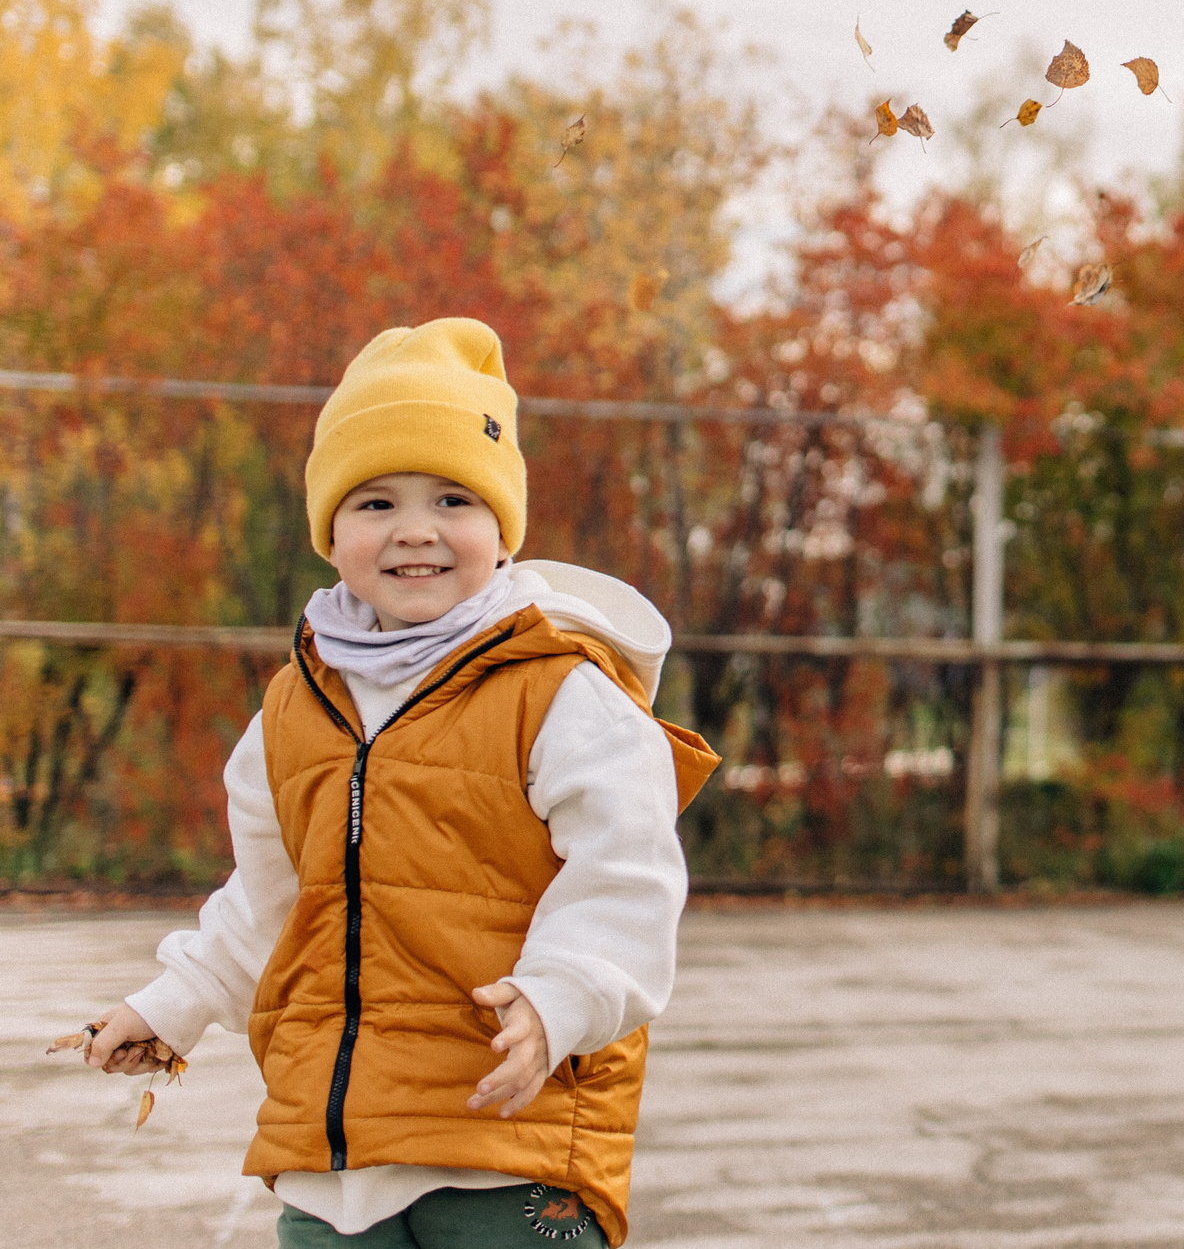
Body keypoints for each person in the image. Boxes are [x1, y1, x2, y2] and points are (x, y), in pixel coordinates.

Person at [79, 317, 718, 1247]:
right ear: (329, 534)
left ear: (502, 529)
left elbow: (627, 873)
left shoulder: (562, 690)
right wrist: (174, 1003)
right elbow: (272, 900)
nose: (416, 530)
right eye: (375, 502)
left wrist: (561, 995)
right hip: (335, 1154)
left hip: (506, 1137)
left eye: (454, 498)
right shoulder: (294, 711)